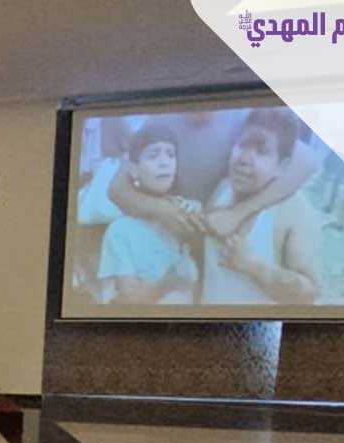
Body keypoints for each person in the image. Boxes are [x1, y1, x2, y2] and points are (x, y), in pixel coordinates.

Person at [201, 109, 322, 305]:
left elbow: (309, 295)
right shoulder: (223, 188)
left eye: (261, 152)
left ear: (281, 166)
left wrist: (253, 266)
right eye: (242, 145)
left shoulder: (294, 210)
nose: (244, 159)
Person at [97, 125, 202, 306]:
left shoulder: (186, 214)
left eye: (171, 155)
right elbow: (130, 300)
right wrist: (170, 282)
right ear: (134, 170)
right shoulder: (120, 231)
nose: (164, 162)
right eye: (153, 156)